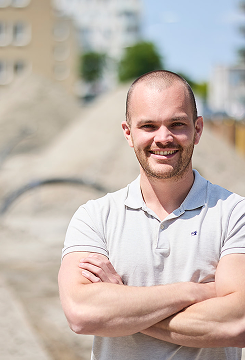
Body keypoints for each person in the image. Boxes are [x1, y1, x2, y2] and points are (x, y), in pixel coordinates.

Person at [58, 70, 245, 360]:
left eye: (177, 124)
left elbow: (238, 324)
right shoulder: (94, 217)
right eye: (148, 125)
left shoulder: (235, 214)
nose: (163, 137)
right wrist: (194, 293)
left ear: (197, 129)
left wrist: (122, 308)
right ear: (128, 133)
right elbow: (83, 314)